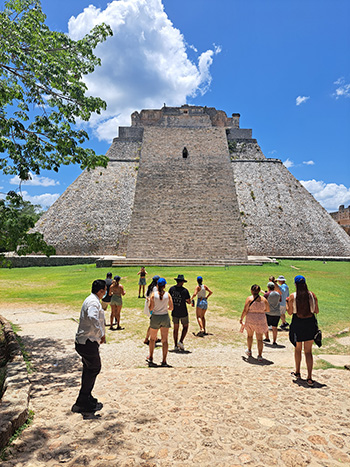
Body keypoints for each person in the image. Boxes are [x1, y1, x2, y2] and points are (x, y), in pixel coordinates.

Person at [72, 279, 106, 413]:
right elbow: (93, 317)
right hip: (88, 341)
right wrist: (101, 333)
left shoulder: (92, 300)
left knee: (89, 369)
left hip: (87, 341)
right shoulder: (93, 302)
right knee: (94, 368)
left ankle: (85, 396)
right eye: (104, 290)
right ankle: (83, 400)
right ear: (101, 291)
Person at [287, 275, 319, 387]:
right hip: (309, 323)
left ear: (295, 284)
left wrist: (287, 304)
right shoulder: (312, 295)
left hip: (298, 323)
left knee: (298, 349)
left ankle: (298, 371)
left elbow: (290, 312)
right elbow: (316, 310)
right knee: (308, 351)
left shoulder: (293, 296)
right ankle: (309, 377)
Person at [146, 278, 173, 367]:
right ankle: (164, 360)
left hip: (156, 317)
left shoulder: (153, 295)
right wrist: (165, 308)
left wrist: (150, 301)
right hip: (165, 316)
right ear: (164, 286)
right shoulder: (168, 295)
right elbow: (171, 307)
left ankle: (151, 356)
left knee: (152, 339)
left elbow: (150, 308)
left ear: (157, 285)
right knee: (164, 340)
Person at [240, 284, 269, 361]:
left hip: (251, 319)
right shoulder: (264, 300)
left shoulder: (249, 299)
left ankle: (249, 350)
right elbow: (268, 309)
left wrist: (241, 318)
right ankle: (260, 355)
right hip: (261, 319)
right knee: (260, 339)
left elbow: (245, 310)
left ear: (251, 291)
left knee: (250, 336)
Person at [169, 274, 191, 351]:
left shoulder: (171, 289)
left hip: (175, 311)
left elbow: (169, 299)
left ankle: (175, 345)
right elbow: (188, 301)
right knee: (185, 326)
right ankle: (180, 341)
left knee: (175, 329)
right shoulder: (185, 291)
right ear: (182, 282)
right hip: (183, 311)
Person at [143, 275, 160, 345]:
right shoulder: (155, 288)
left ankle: (154, 337)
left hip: (149, 305)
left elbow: (146, 295)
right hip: (153, 307)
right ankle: (147, 338)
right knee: (153, 324)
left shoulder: (150, 287)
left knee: (154, 323)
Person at [263, 281, 281, 346]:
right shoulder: (278, 294)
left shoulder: (267, 294)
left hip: (268, 312)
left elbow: (263, 301)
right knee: (275, 327)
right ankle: (274, 341)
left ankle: (267, 338)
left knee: (265, 326)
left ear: (268, 287)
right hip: (277, 312)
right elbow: (280, 300)